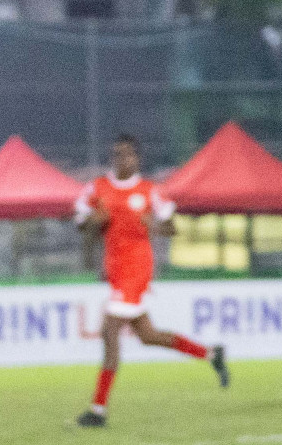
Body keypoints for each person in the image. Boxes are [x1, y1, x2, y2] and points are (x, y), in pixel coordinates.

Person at [73, 134, 228, 427]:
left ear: (137, 158)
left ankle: (98, 410)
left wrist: (154, 225)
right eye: (117, 154)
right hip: (115, 271)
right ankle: (210, 354)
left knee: (109, 332)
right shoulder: (97, 189)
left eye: (128, 154)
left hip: (137, 270)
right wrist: (93, 221)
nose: (122, 159)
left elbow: (172, 227)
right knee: (148, 336)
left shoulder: (149, 191)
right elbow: (81, 224)